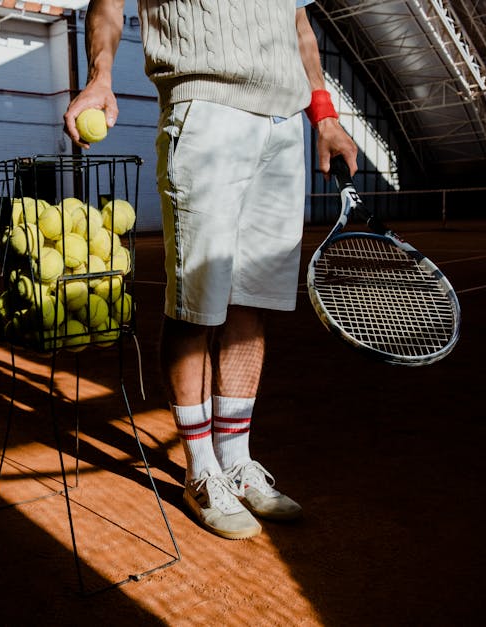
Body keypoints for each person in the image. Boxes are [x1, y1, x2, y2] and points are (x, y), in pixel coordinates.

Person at [64, 0, 358, 540]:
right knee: (195, 306)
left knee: (254, 302)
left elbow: (299, 26)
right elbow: (106, 4)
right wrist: (99, 77)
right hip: (206, 110)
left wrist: (325, 114)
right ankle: (201, 470)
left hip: (284, 124)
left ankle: (238, 463)